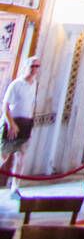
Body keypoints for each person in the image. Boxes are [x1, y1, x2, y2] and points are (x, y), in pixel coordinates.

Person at [1, 56, 40, 195]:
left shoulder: (34, 84)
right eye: (32, 66)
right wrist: (11, 124)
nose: (34, 69)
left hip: (25, 123)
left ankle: (15, 188)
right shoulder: (16, 84)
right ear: (26, 66)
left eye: (37, 66)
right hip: (13, 122)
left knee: (21, 156)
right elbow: (5, 106)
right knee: (4, 155)